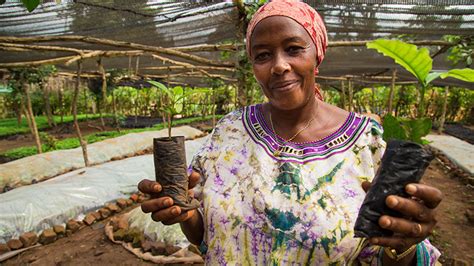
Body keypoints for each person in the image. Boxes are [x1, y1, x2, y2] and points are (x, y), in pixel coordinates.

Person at [138, 1, 442, 265]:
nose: (279, 66)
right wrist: (185, 213)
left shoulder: (366, 142)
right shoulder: (230, 131)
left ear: (317, 55)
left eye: (294, 49)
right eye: (263, 55)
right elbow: (206, 234)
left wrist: (402, 248)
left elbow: (381, 251)